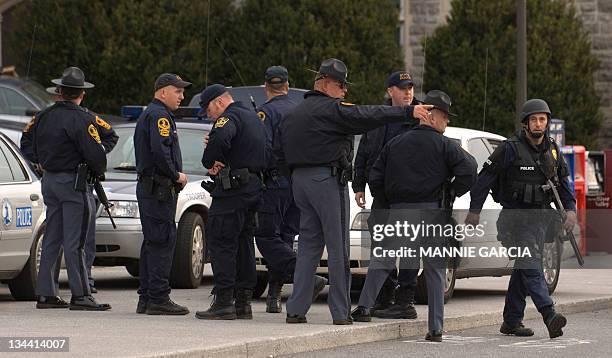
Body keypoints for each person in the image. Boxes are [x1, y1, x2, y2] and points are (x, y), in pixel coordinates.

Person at [280, 58, 432, 325]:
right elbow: (367, 115)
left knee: (307, 248)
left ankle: (296, 309)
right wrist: (408, 113)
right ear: (324, 83)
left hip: (299, 182)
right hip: (325, 181)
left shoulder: (295, 112)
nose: (345, 91)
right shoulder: (332, 109)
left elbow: (278, 151)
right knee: (338, 248)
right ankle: (340, 312)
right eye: (341, 85)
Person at [369, 90, 477, 341]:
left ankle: (367, 306)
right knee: (435, 271)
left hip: (400, 213)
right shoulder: (445, 145)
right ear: (431, 116)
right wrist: (452, 191)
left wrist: (388, 200)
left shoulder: (397, 142)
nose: (447, 122)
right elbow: (470, 170)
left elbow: (376, 175)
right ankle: (436, 329)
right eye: (445, 117)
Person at [465, 98, 576, 339]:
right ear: (526, 123)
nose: (538, 124)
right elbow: (485, 179)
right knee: (531, 266)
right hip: (515, 220)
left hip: (541, 220)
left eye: (542, 119)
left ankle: (511, 321)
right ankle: (550, 314)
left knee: (523, 270)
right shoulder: (509, 148)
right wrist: (474, 211)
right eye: (534, 119)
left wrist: (571, 210)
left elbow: (564, 185)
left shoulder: (553, 149)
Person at [23, 85, 118, 295]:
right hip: (74, 183)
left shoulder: (43, 116)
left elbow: (26, 142)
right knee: (77, 241)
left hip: (49, 182)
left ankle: (46, 294)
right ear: (82, 94)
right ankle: (82, 294)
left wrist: (40, 160)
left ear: (60, 93)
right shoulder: (82, 118)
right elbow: (96, 154)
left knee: (52, 238)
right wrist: (97, 168)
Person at [255, 66, 327, 313]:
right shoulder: (300, 110)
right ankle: (274, 298)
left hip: (274, 183)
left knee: (266, 236)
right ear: (287, 86)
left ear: (266, 87)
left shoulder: (265, 113)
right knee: (284, 238)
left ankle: (303, 277)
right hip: (298, 183)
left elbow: (262, 149)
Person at [351, 70, 419, 322]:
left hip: (407, 196)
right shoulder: (378, 117)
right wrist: (359, 185)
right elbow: (363, 154)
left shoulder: (419, 116)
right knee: (381, 245)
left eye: (410, 88)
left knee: (410, 248)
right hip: (381, 195)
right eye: (403, 88)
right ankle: (383, 296)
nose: (408, 92)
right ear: (391, 91)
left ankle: (405, 301)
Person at [195, 84, 266, 320]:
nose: (209, 116)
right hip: (252, 187)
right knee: (244, 243)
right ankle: (243, 302)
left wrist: (210, 159)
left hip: (233, 190)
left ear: (219, 102)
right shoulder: (252, 116)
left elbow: (221, 138)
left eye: (208, 110)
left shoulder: (229, 117)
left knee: (222, 242)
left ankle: (224, 301)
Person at [134, 73, 191, 315]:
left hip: (152, 188)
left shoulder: (154, 113)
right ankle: (158, 298)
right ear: (162, 92)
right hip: (158, 189)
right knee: (162, 241)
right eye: (177, 91)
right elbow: (160, 150)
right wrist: (175, 174)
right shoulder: (159, 115)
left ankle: (147, 297)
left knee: (152, 242)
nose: (182, 96)